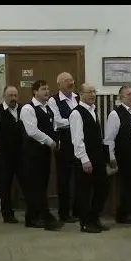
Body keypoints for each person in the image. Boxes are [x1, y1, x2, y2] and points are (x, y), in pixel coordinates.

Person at [20, 80, 63, 231]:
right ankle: (39, 218)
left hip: (44, 153)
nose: (47, 91)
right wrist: (50, 141)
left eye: (48, 88)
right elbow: (32, 131)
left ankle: (36, 217)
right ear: (34, 92)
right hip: (31, 154)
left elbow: (54, 126)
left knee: (42, 185)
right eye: (43, 89)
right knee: (35, 186)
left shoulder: (48, 108)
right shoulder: (28, 108)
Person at [104, 86, 131, 227]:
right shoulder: (115, 114)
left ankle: (121, 214)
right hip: (124, 155)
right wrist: (111, 156)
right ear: (121, 98)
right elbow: (109, 138)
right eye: (128, 94)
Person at [70, 83, 109, 233]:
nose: (92, 94)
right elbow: (77, 139)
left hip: (98, 157)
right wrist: (84, 159)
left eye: (94, 91)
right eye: (89, 92)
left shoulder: (94, 110)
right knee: (84, 192)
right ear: (81, 94)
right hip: (84, 159)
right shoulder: (76, 113)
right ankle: (85, 223)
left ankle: (94, 218)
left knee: (103, 188)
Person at [0, 85, 24, 223]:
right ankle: (7, 214)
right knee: (5, 185)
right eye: (10, 95)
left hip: (21, 155)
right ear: (4, 96)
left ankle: (30, 211)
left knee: (25, 183)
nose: (13, 98)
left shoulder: (23, 109)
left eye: (15, 95)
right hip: (4, 156)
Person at [47, 72, 80, 223]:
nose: (70, 83)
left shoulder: (78, 97)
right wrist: (77, 122)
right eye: (66, 81)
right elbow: (58, 121)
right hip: (64, 142)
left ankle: (79, 210)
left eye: (71, 80)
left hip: (79, 141)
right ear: (59, 84)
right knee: (64, 179)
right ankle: (64, 213)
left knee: (80, 177)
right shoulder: (53, 100)